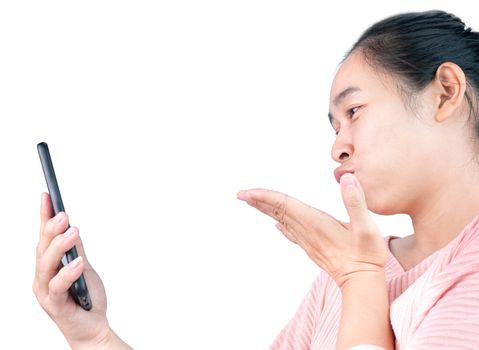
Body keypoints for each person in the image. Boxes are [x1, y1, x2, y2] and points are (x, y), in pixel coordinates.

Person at [33, 9, 479, 350]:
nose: (338, 147)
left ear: (445, 92)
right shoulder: (345, 271)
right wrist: (94, 336)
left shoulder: (359, 268)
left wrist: (360, 277)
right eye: (334, 126)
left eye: (354, 112)